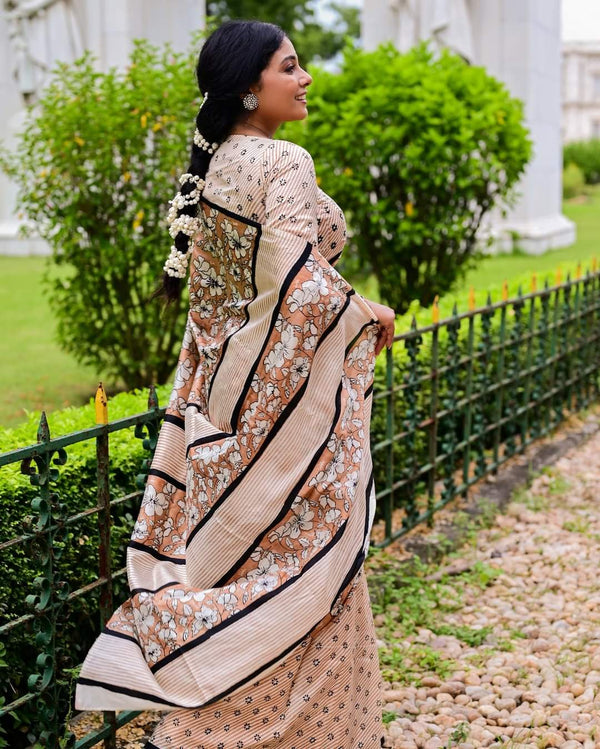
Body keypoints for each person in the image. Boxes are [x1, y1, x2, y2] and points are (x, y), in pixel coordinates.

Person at [75, 19, 395, 748]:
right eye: (291, 66)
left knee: (248, 579)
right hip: (289, 418)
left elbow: (218, 304)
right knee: (316, 578)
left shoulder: (217, 164)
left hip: (225, 410)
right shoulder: (282, 159)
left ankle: (217, 731)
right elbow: (298, 283)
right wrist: (367, 309)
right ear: (251, 86)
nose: (305, 76)